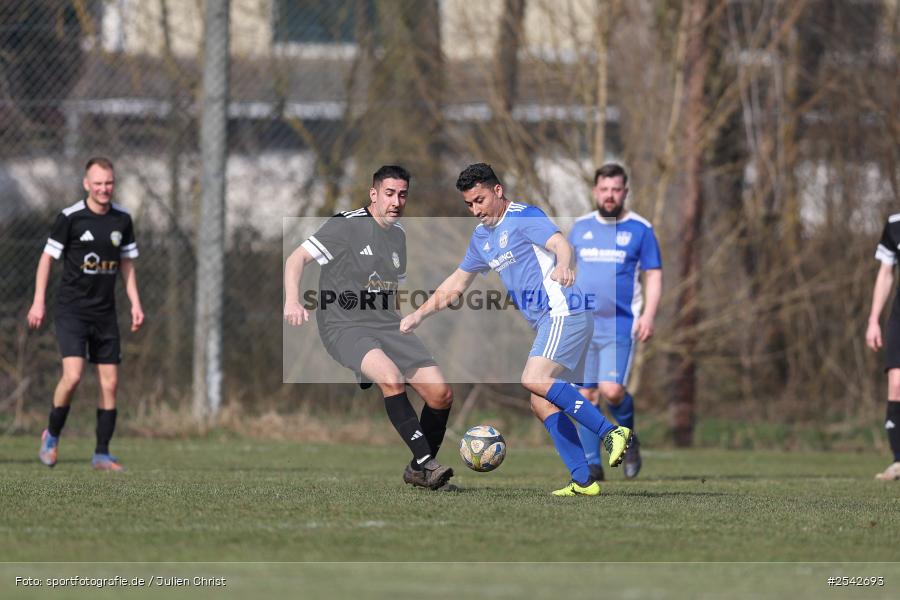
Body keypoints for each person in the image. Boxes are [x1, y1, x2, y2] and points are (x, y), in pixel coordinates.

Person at [400, 163, 632, 496]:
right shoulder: (482, 238)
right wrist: (419, 315)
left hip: (564, 311)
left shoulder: (524, 216)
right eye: (469, 205)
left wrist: (565, 264)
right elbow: (456, 283)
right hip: (550, 321)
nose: (476, 210)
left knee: (533, 378)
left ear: (498, 191)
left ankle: (611, 433)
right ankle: (583, 480)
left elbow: (559, 243)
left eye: (480, 200)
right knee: (541, 403)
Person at [283, 165, 456, 491]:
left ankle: (418, 470)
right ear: (373, 194)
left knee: (440, 393)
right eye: (389, 194)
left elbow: (391, 291)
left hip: (385, 324)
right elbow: (296, 259)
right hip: (344, 324)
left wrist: (401, 325)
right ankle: (427, 462)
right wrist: (292, 301)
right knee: (391, 379)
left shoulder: (399, 234)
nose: (396, 201)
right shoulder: (345, 226)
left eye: (403, 195)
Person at [27, 157, 144, 472]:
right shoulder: (70, 218)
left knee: (110, 383)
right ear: (86, 184)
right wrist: (38, 302)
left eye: (109, 183)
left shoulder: (123, 219)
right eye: (98, 183)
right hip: (72, 311)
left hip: (105, 314)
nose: (104, 189)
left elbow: (127, 265)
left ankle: (102, 454)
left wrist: (135, 303)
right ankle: (51, 435)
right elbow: (46, 259)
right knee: (74, 376)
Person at [568, 163, 662, 480]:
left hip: (620, 324)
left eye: (616, 189)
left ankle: (629, 437)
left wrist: (648, 315)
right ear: (596, 191)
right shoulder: (579, 228)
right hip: (583, 326)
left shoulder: (641, 229)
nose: (610, 195)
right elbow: (565, 271)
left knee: (612, 392)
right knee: (586, 396)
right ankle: (593, 464)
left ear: (625, 192)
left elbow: (654, 274)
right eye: (604, 189)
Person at [865, 212, 900, 481]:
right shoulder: (894, 224)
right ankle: (899, 461)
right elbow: (886, 273)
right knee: (897, 383)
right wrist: (874, 319)